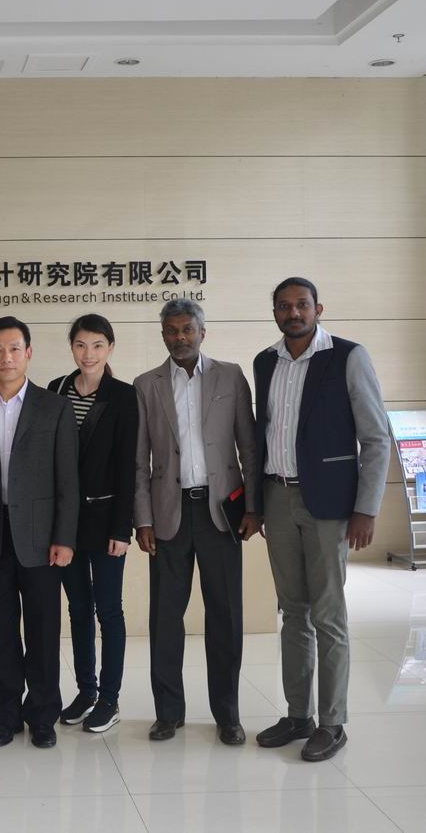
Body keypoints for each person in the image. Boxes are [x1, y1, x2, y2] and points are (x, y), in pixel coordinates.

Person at [252, 277, 389, 762]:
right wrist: (257, 503)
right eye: (284, 306)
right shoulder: (265, 362)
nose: (293, 313)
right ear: (274, 311)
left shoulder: (348, 357)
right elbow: (264, 433)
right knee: (292, 611)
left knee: (328, 614)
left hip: (330, 505)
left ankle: (332, 722)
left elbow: (376, 438)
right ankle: (298, 716)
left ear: (318, 308)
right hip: (277, 498)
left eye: (302, 305)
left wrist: (366, 508)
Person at [133, 300, 259, 747]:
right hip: (169, 515)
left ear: (203, 332)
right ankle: (168, 713)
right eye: (171, 331)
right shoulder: (146, 385)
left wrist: (253, 508)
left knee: (225, 616)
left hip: (221, 513)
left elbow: (249, 446)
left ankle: (228, 715)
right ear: (163, 335)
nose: (179, 337)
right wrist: (143, 518)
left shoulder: (231, 376)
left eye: (187, 329)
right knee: (166, 618)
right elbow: (139, 460)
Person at [0, 316, 79, 749]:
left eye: (14, 348)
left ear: (28, 353)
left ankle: (43, 716)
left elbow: (68, 479)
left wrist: (65, 537)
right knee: (1, 632)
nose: (6, 357)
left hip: (43, 539)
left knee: (44, 632)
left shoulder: (54, 407)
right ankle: (5, 718)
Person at [45, 314, 136, 734]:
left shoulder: (123, 395)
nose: (89, 354)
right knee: (78, 608)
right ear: (72, 348)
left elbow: (128, 465)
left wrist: (122, 529)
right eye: (81, 345)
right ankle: (86, 691)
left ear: (110, 348)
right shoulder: (56, 390)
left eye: (98, 345)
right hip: (66, 524)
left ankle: (110, 699)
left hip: (106, 521)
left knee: (109, 610)